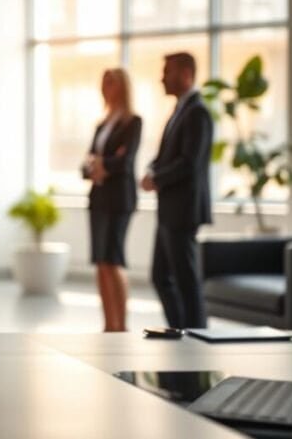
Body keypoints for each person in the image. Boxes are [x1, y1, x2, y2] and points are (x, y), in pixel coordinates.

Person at [141, 52, 213, 330]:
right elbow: (169, 155)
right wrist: (152, 170)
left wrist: (157, 178)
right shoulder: (180, 110)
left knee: (185, 280)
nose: (162, 78)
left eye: (167, 72)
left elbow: (190, 163)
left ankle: (195, 335)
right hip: (169, 209)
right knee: (161, 276)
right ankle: (180, 331)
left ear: (185, 74)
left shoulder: (198, 112)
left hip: (183, 210)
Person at [83, 69, 141, 332]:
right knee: (100, 262)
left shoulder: (132, 122)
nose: (105, 87)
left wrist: (101, 162)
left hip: (119, 199)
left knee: (113, 259)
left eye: (111, 82)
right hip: (98, 197)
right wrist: (99, 164)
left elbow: (125, 162)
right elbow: (88, 162)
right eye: (103, 82)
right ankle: (109, 325)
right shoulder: (102, 124)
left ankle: (122, 326)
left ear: (123, 87)